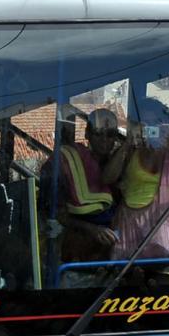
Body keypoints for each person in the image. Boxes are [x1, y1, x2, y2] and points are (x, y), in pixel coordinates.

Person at [102, 98, 169, 283]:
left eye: (156, 123)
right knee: (127, 293)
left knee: (163, 297)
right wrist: (128, 144)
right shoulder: (130, 151)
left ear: (168, 126)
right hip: (131, 232)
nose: (150, 128)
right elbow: (107, 178)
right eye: (145, 124)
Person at [43, 108, 124, 265]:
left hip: (117, 253)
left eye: (110, 134)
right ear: (87, 134)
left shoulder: (121, 165)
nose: (104, 140)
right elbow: (57, 215)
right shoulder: (67, 162)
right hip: (75, 251)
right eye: (98, 133)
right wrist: (92, 229)